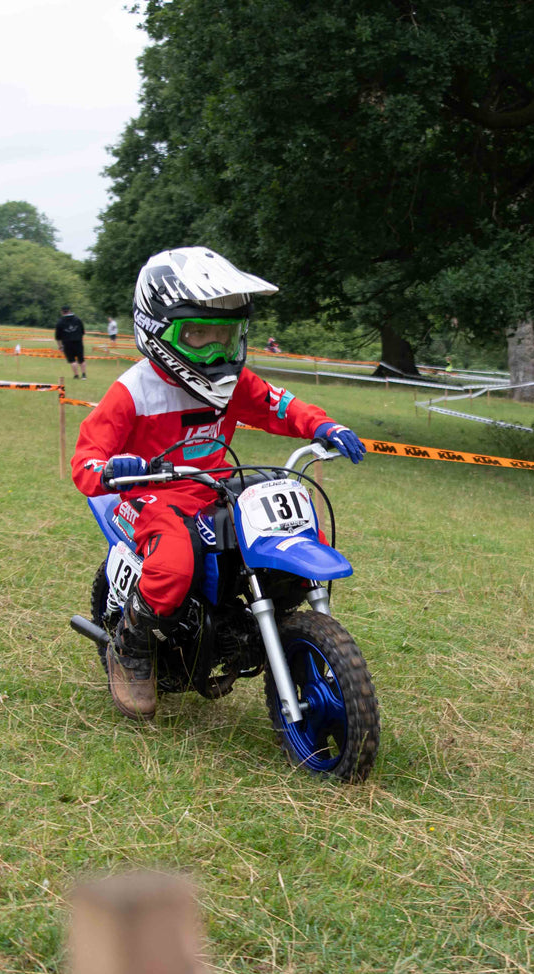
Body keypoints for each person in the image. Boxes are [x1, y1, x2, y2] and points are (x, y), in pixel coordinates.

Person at [70, 246, 367, 721]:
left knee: (293, 516)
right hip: (150, 492)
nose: (215, 351)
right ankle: (132, 645)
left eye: (226, 337)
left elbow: (279, 405)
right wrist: (111, 470)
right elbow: (86, 460)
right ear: (156, 330)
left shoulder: (234, 382)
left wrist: (322, 426)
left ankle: (272, 621)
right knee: (173, 561)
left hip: (213, 485)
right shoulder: (133, 391)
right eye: (199, 335)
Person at [55, 305, 87, 379]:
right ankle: (84, 375)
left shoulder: (60, 322)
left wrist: (60, 346)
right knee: (81, 359)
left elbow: (57, 337)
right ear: (69, 311)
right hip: (78, 341)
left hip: (67, 343)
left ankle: (76, 375)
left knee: (72, 360)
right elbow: (83, 331)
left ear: (62, 312)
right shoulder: (77, 319)